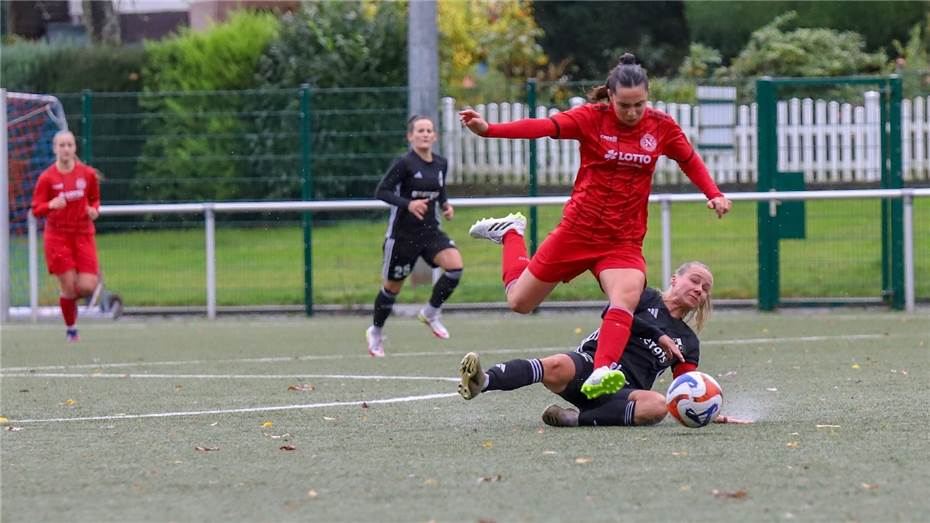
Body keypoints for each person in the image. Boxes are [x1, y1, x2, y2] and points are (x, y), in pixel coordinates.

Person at [459, 52, 732, 399]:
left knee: (627, 294)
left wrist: (714, 193)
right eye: (625, 105)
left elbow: (689, 159)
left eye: (639, 105)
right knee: (519, 302)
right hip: (577, 232)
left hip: (623, 241)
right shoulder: (591, 118)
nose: (633, 113)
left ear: (648, 98)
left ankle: (603, 369)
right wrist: (490, 130)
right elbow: (543, 127)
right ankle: (511, 233)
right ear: (610, 97)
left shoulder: (661, 127)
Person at [457, 261, 751, 427]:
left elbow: (686, 389)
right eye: (695, 281)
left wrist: (712, 413)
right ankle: (483, 381)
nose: (699, 290)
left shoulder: (689, 342)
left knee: (658, 405)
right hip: (592, 366)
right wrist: (658, 335)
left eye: (705, 289)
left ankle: (575, 419)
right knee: (556, 365)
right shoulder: (645, 296)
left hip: (623, 393)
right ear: (675, 279)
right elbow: (611, 313)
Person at [365, 115, 464, 357]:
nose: (425, 134)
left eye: (429, 130)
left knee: (455, 267)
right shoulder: (404, 163)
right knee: (392, 288)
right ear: (410, 136)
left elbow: (439, 190)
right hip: (402, 236)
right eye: (420, 130)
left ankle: (431, 312)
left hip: (430, 231)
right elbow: (382, 191)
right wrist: (408, 204)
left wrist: (445, 204)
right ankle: (376, 332)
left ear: (435, 136)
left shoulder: (441, 163)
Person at [31, 130, 101, 342]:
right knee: (69, 285)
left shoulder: (87, 175)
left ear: (74, 148)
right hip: (58, 237)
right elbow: (36, 208)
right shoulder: (47, 178)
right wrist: (50, 205)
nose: (66, 149)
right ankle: (71, 329)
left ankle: (66, 301)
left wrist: (94, 210)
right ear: (55, 149)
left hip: (83, 235)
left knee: (88, 286)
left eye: (69, 145)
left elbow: (95, 200)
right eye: (62, 145)